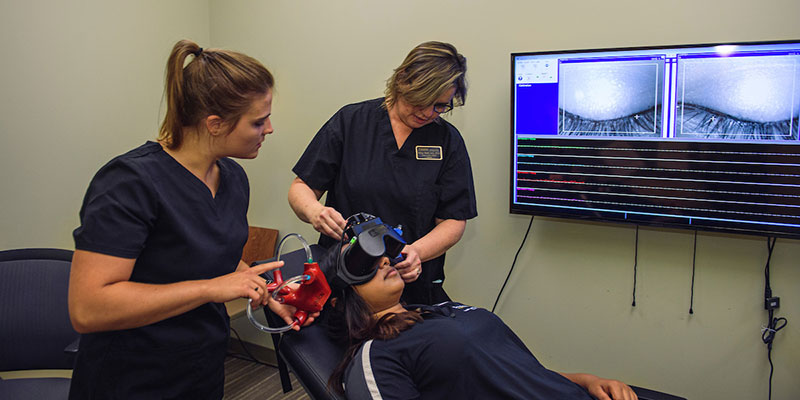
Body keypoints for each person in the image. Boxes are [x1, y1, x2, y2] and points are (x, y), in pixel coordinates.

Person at [68, 39, 314, 399]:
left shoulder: (231, 178)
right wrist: (210, 288)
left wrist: (259, 286)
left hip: (201, 367)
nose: (270, 129)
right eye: (259, 121)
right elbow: (88, 309)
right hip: (131, 376)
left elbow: (210, 251)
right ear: (214, 124)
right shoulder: (129, 182)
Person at [288, 41, 478, 305]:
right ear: (402, 81)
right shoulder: (351, 122)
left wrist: (416, 253)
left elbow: (454, 220)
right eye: (420, 101)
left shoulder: (447, 141)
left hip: (407, 280)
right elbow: (301, 188)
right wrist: (314, 212)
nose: (426, 113)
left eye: (439, 106)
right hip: (347, 279)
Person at [319, 244, 639, 400]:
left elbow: (515, 374)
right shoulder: (374, 355)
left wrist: (586, 380)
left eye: (382, 254)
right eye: (362, 263)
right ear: (340, 298)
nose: (384, 260)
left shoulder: (439, 309)